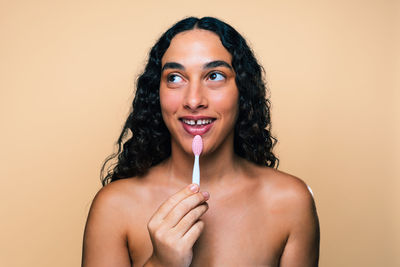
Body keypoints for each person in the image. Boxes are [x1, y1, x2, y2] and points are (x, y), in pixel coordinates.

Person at [82, 16, 320, 267]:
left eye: (214, 76)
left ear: (243, 91)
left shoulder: (290, 202)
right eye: (175, 78)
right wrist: (160, 263)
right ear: (157, 94)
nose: (193, 100)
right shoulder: (115, 207)